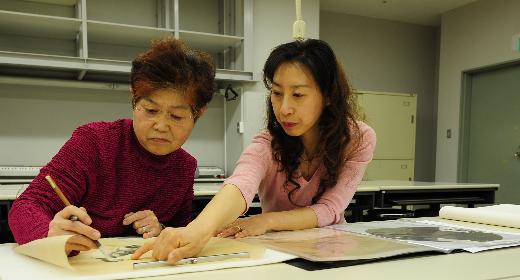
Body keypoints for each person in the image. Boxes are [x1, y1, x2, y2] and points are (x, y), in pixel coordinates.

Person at [133, 38, 376, 263]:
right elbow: (240, 184)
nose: (285, 108)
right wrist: (197, 230)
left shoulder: (359, 139)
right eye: (277, 93)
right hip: (278, 252)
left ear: (328, 96)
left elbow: (331, 209)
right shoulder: (268, 144)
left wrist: (265, 220)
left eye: (298, 94)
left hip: (332, 249)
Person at [8, 38, 216, 254]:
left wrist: (162, 230)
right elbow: (26, 206)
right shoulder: (94, 142)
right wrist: (49, 235)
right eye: (150, 111)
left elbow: (182, 231)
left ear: (198, 114)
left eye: (177, 116)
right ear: (133, 100)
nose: (161, 126)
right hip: (82, 271)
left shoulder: (184, 166)